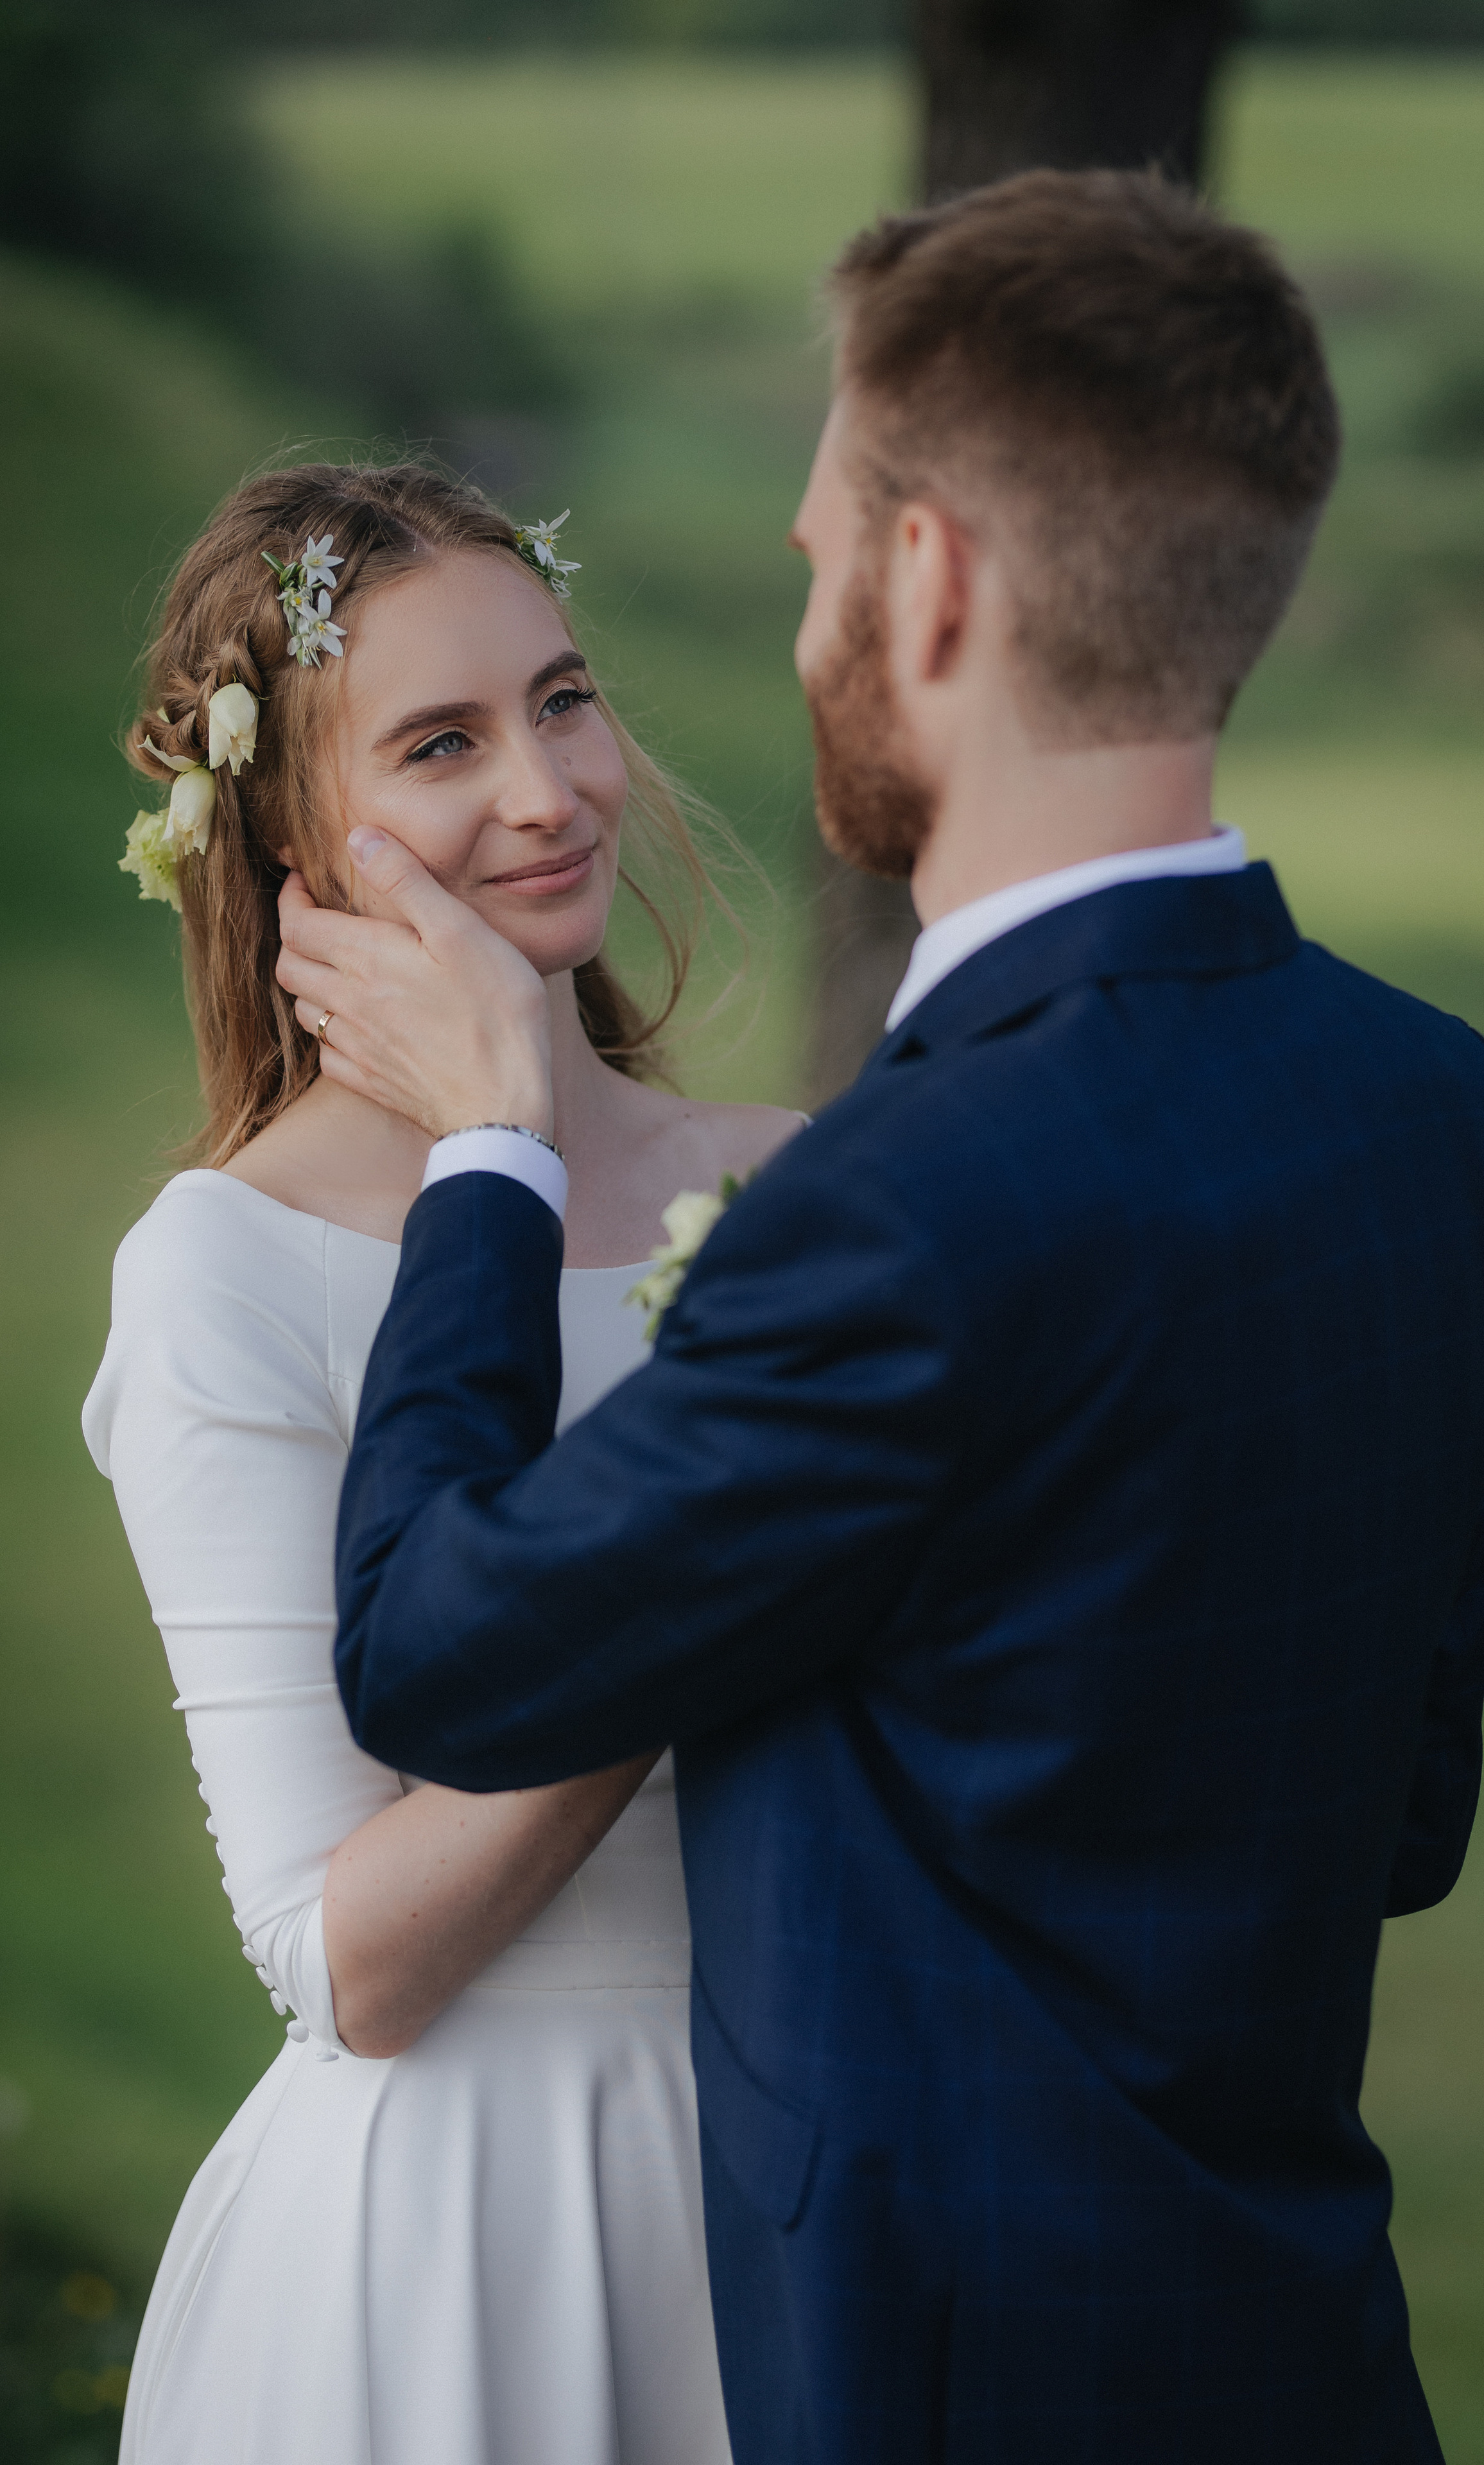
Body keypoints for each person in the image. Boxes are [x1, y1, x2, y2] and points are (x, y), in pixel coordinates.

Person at [277, 173, 1484, 2465]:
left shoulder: (895, 1215)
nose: (815, 589)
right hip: (1315, 2370)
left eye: (830, 543)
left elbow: (436, 1653)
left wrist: (490, 1151)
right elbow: (1404, 1812)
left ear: (929, 582)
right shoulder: (1439, 1113)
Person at [82, 460, 803, 2465]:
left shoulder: (794, 1190)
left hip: (804, 2187)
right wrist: (731, 1568)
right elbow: (348, 1959)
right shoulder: (229, 1271)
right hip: (457, 2252)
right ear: (292, 842)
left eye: (564, 699)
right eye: (441, 744)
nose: (549, 790)